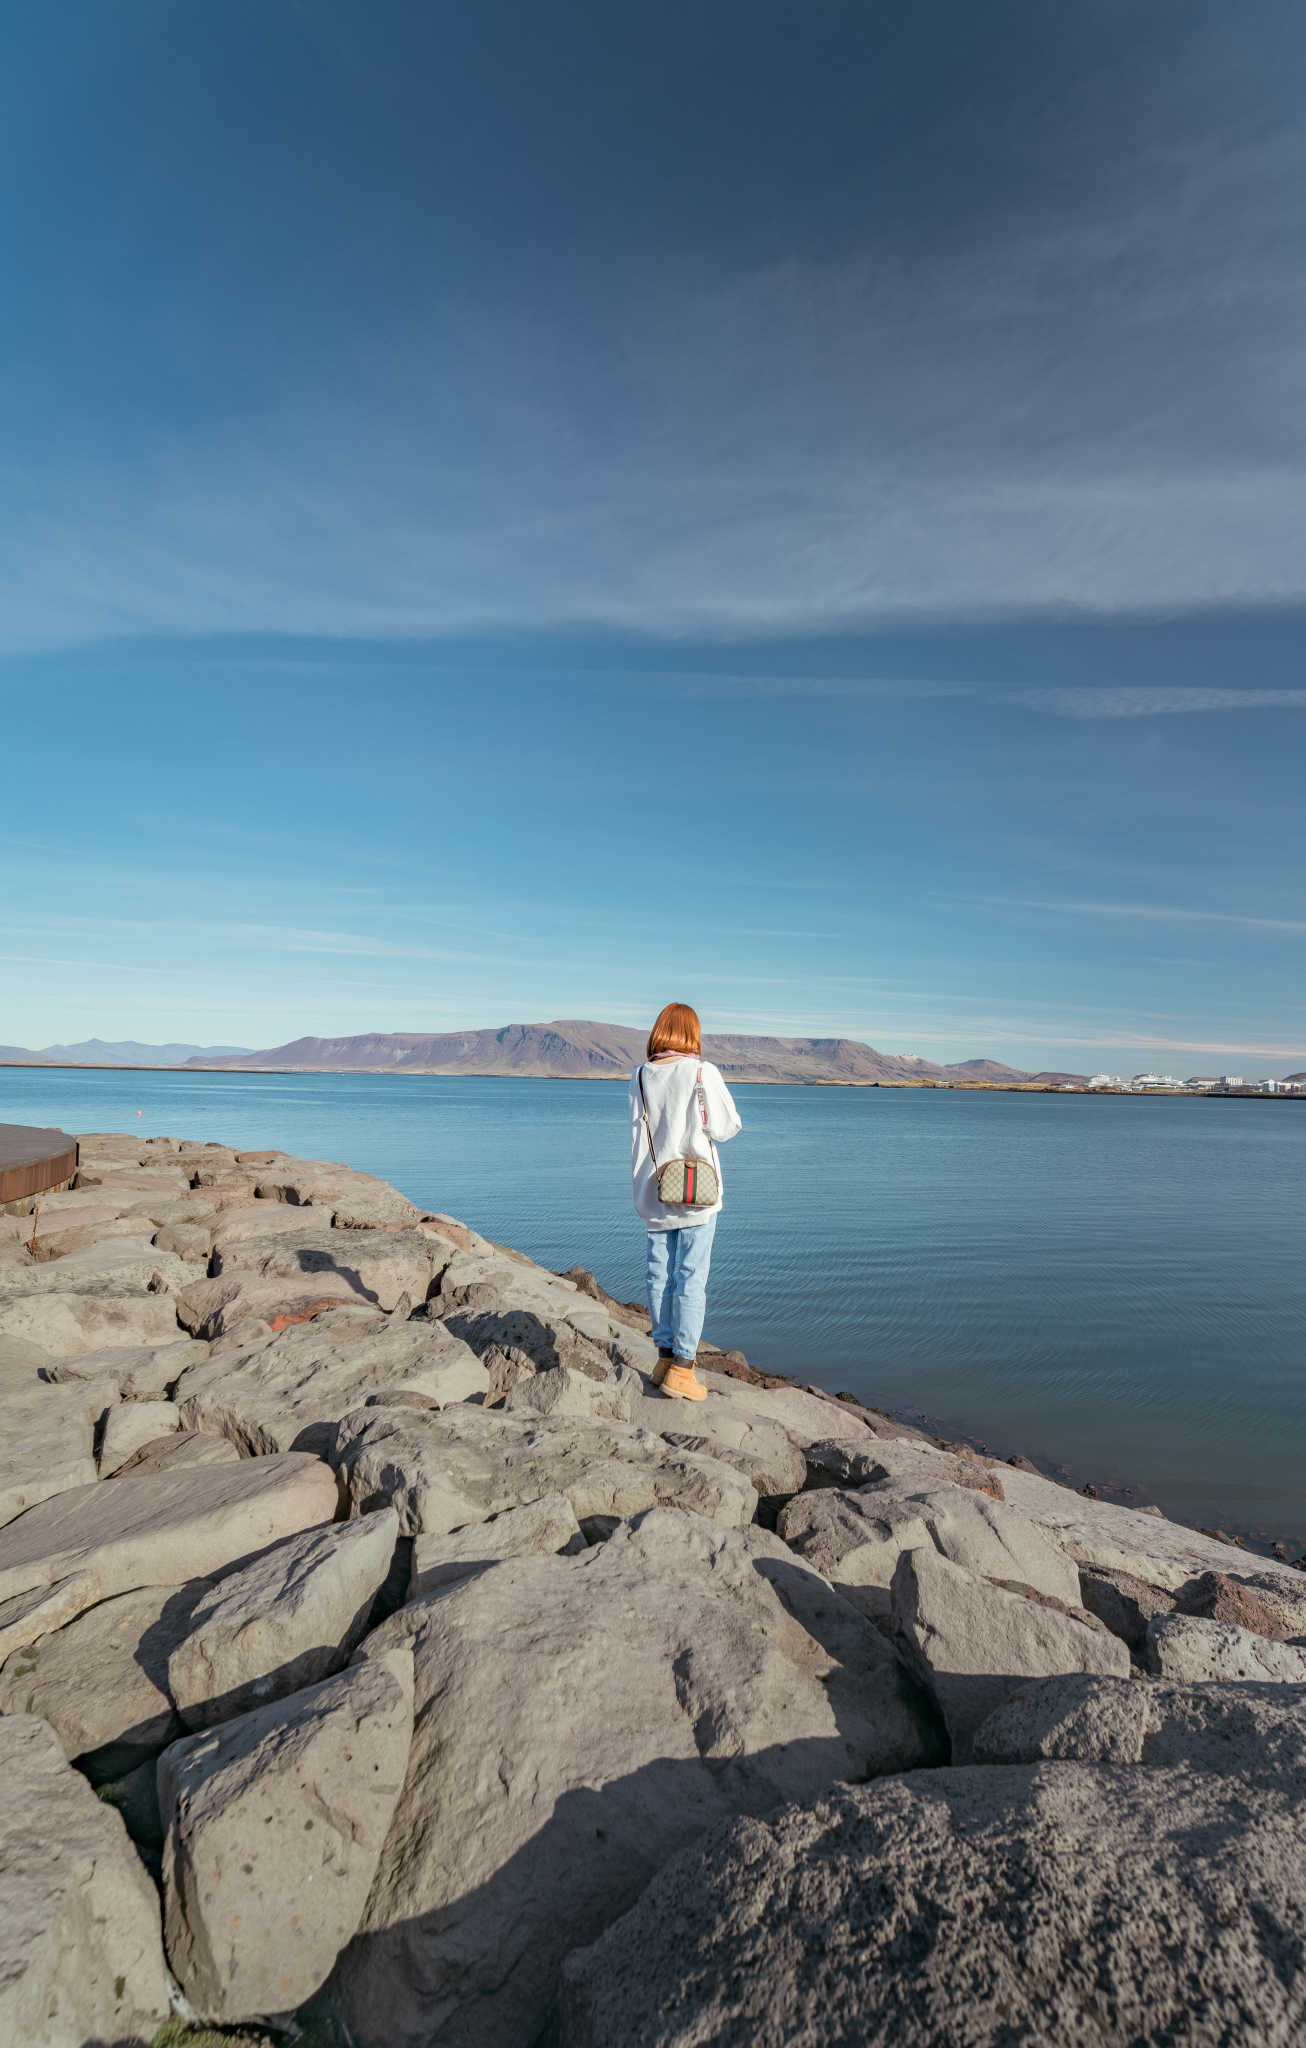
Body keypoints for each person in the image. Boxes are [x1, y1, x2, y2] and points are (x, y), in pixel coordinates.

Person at [630, 1001, 742, 1401]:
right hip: (696, 1192)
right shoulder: (701, 1071)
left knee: (659, 1275)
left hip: (654, 1191)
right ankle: (683, 1368)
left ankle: (663, 1359)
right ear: (691, 1033)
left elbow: (638, 1137)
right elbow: (727, 1126)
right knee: (691, 1280)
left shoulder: (640, 1075)